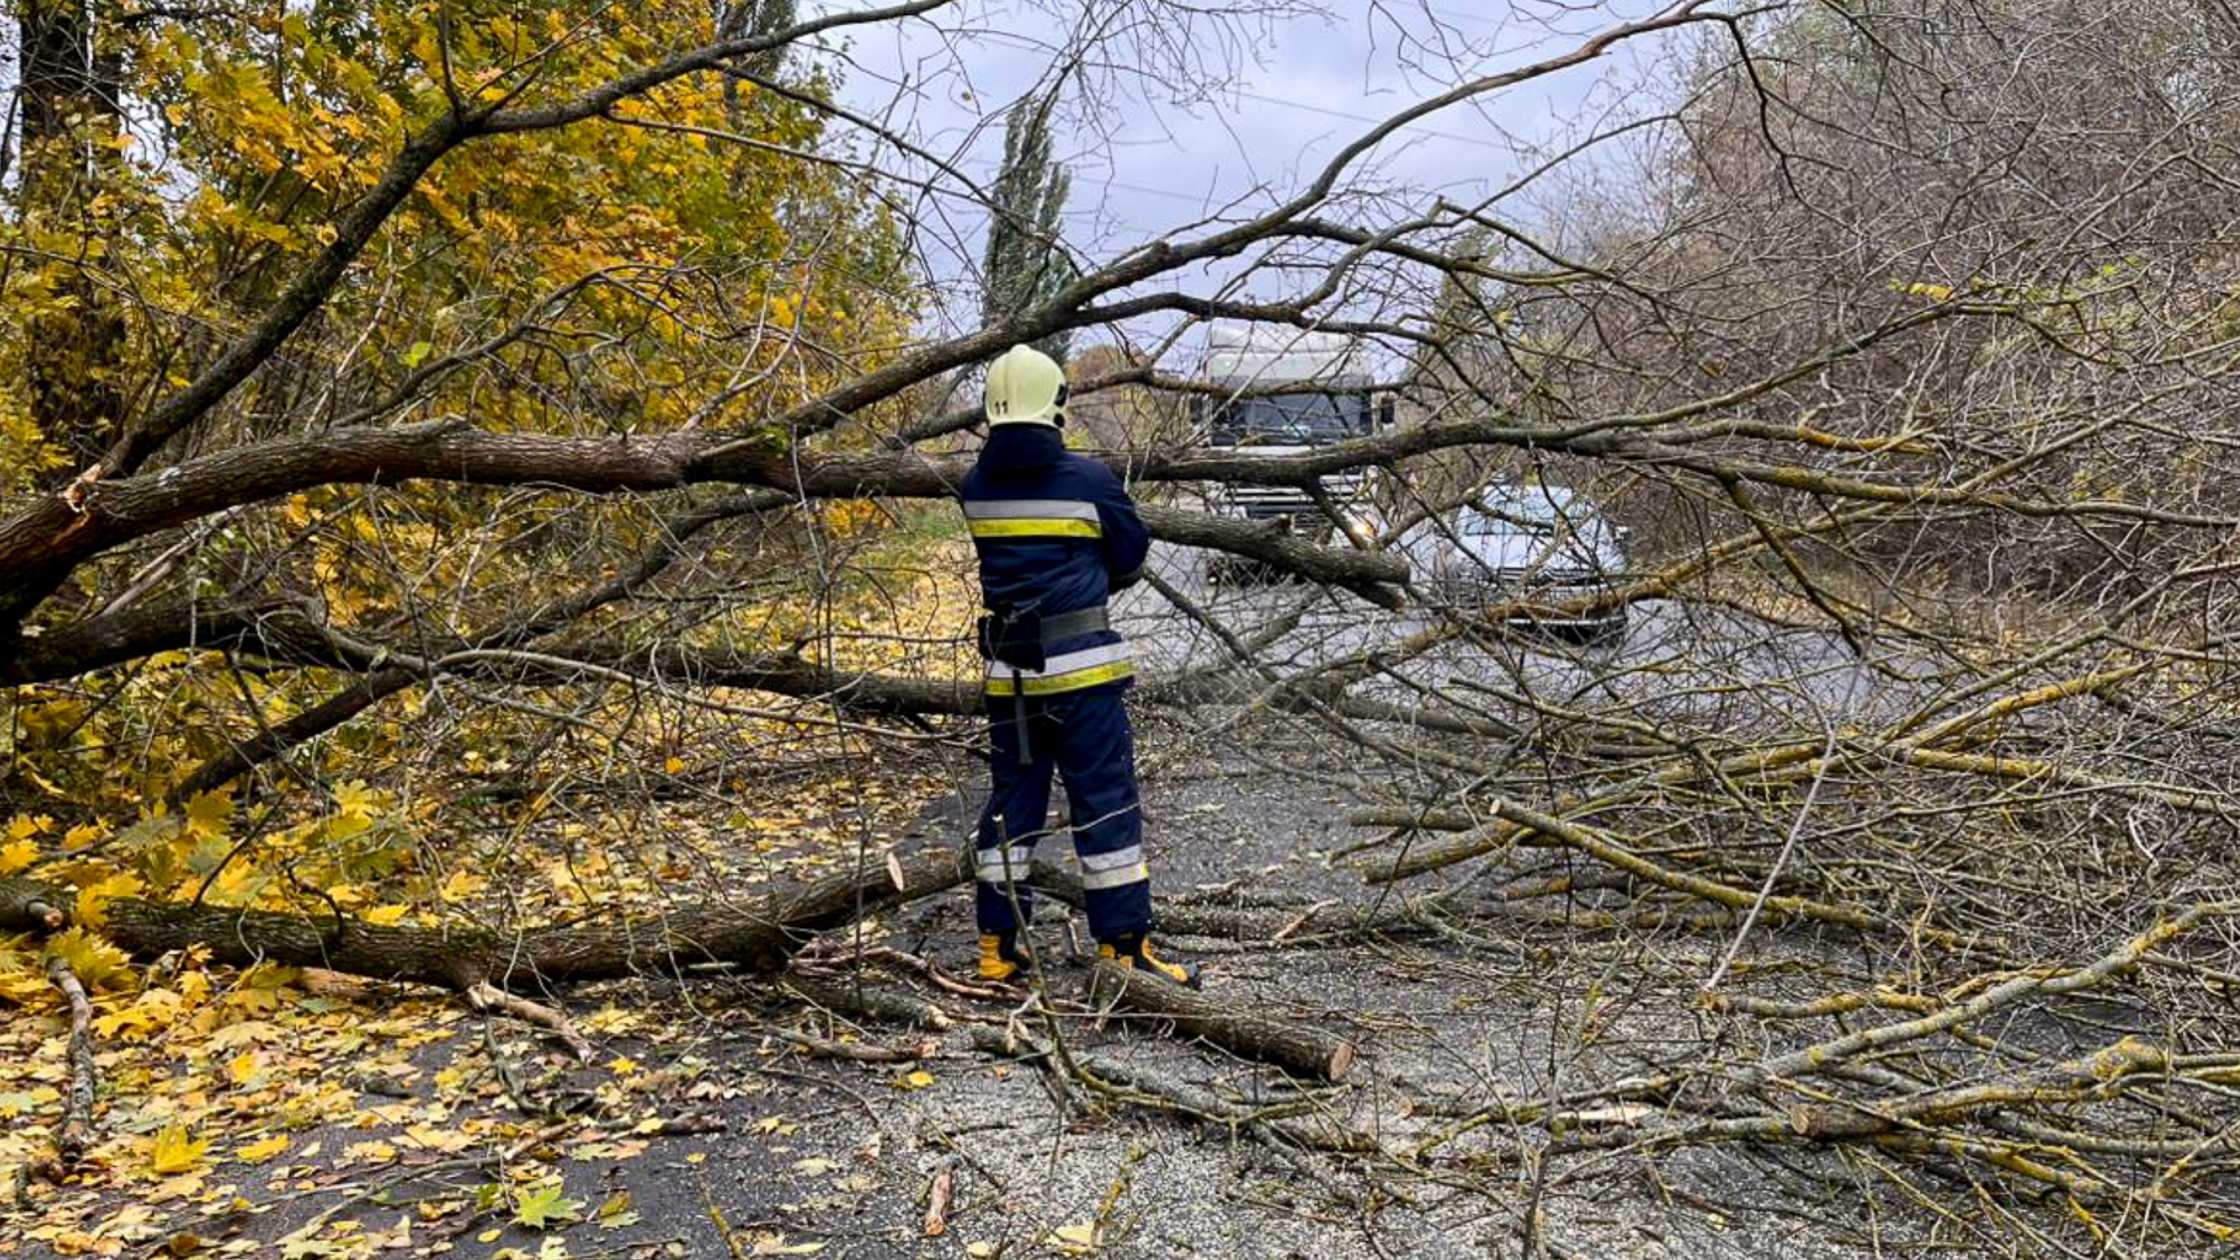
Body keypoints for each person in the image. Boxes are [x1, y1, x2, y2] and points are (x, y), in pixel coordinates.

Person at [958, 344, 1199, 987]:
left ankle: (997, 948)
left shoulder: (975, 488)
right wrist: (1089, 570)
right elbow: (1130, 555)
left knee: (1012, 807)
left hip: (1011, 682)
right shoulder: (1089, 482)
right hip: (1085, 680)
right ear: (1056, 405)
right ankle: (1123, 948)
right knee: (1105, 806)